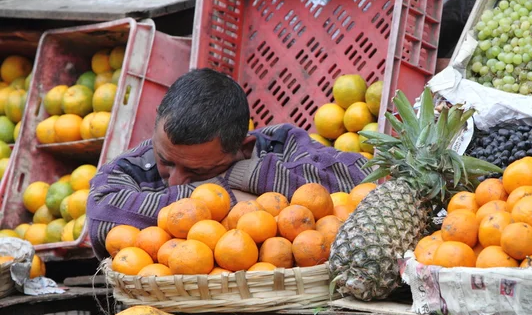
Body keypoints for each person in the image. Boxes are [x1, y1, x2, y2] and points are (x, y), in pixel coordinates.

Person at [87, 68, 373, 259]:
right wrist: (228, 194)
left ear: (242, 148)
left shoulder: (278, 144)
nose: (175, 179)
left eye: (198, 171)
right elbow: (102, 218)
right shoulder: (133, 167)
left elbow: (364, 177)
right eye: (167, 161)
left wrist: (249, 172)